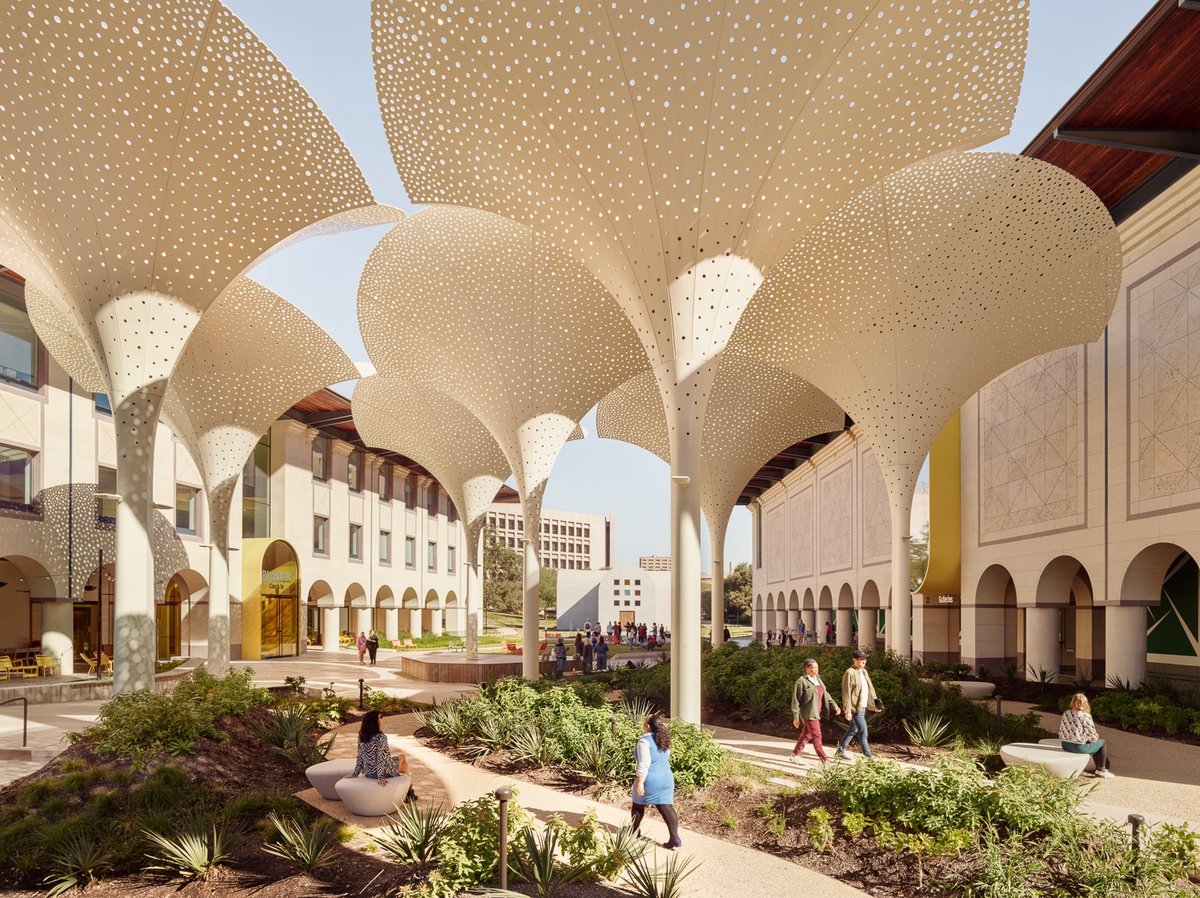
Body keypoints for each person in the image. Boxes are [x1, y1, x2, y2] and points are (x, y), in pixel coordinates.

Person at [631, 713, 682, 850]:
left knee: (637, 805)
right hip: (666, 778)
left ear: (647, 725)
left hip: (650, 779)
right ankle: (674, 837)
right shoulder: (663, 739)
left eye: (644, 721)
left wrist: (640, 782)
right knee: (666, 807)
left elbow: (644, 763)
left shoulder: (644, 741)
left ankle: (634, 831)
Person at [790, 658, 840, 764]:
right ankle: (825, 760)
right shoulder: (801, 682)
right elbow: (795, 701)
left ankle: (795, 755)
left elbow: (825, 694)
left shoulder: (818, 679)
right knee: (817, 736)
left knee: (806, 735)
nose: (816, 669)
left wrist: (834, 705)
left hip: (818, 712)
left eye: (817, 667)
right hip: (809, 714)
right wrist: (796, 717)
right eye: (813, 667)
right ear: (807, 669)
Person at [837, 650, 881, 759]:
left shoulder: (864, 671)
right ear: (854, 660)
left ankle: (840, 750)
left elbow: (870, 689)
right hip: (855, 708)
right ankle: (868, 755)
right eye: (861, 659)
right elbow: (846, 693)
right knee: (863, 731)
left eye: (865, 659)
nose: (864, 661)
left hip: (863, 706)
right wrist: (847, 710)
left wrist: (875, 704)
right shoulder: (849, 673)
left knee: (853, 729)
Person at [348, 710, 409, 788]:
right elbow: (380, 758)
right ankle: (409, 791)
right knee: (403, 758)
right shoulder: (381, 737)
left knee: (403, 764)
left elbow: (360, 756)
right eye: (380, 717)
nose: (382, 719)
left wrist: (355, 774)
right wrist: (381, 777)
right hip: (380, 772)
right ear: (375, 721)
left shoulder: (362, 736)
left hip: (368, 772)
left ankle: (409, 791)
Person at [1059, 693, 1114, 778]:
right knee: (1101, 743)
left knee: (1093, 744)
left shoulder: (1066, 713)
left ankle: (1099, 769)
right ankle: (1101, 771)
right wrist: (1097, 736)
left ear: (1072, 702)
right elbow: (1092, 736)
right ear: (1085, 703)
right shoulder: (1085, 715)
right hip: (1078, 747)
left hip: (1065, 745)